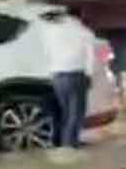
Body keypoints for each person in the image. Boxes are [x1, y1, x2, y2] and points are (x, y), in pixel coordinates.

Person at [39, 10, 96, 148]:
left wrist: (50, 72)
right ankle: (70, 145)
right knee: (76, 114)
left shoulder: (51, 31)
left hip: (57, 76)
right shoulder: (84, 32)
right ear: (80, 17)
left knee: (64, 111)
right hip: (76, 75)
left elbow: (46, 53)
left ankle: (64, 142)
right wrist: (89, 75)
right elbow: (90, 57)